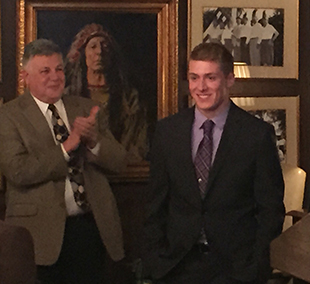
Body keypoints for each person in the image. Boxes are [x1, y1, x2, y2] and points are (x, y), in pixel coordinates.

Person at [141, 42, 285, 283]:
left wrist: (256, 267)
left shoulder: (256, 135)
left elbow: (270, 210)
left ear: (229, 79)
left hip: (235, 269)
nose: (201, 87)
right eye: (194, 78)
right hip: (177, 266)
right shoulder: (168, 132)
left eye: (210, 78)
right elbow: (155, 205)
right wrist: (156, 262)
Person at [0, 39, 126, 284]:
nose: (55, 77)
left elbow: (119, 162)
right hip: (38, 235)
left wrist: (92, 141)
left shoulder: (86, 108)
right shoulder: (8, 116)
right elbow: (18, 171)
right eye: (45, 71)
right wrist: (68, 146)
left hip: (90, 228)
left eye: (59, 69)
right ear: (26, 76)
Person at [65, 23, 147, 163]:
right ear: (83, 53)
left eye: (105, 46)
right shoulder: (69, 95)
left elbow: (137, 143)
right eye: (93, 46)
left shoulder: (129, 97)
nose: (99, 52)